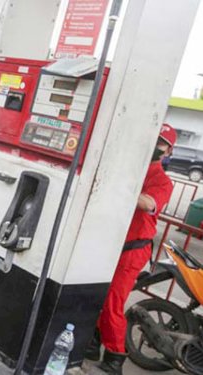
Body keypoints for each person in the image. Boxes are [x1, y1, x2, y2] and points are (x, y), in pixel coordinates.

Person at [85, 124, 177, 374]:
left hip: (133, 250)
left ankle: (115, 358)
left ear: (168, 150)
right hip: (110, 241)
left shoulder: (162, 181)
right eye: (152, 139)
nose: (154, 146)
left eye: (161, 143)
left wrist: (121, 187)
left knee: (112, 300)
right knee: (94, 292)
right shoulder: (129, 168)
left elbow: (149, 203)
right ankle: (92, 344)